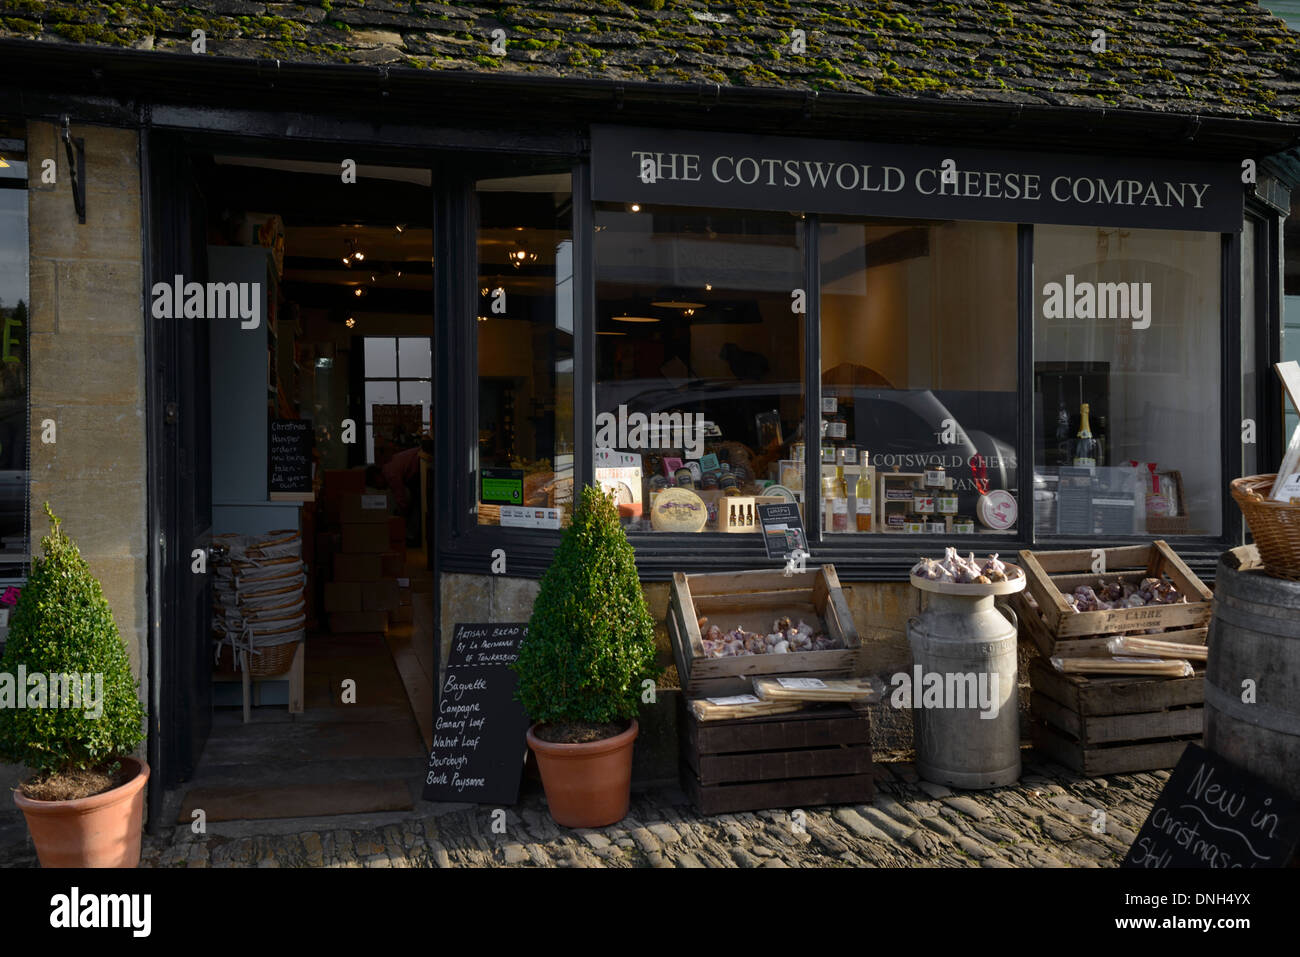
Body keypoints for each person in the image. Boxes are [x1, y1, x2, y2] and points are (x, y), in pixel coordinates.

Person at [365, 446, 423, 547]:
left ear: (376, 476)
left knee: (417, 504)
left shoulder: (390, 474)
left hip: (420, 462)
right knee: (416, 502)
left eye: (376, 485)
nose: (380, 488)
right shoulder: (388, 468)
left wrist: (399, 516)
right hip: (419, 459)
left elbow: (401, 497)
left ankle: (413, 537)